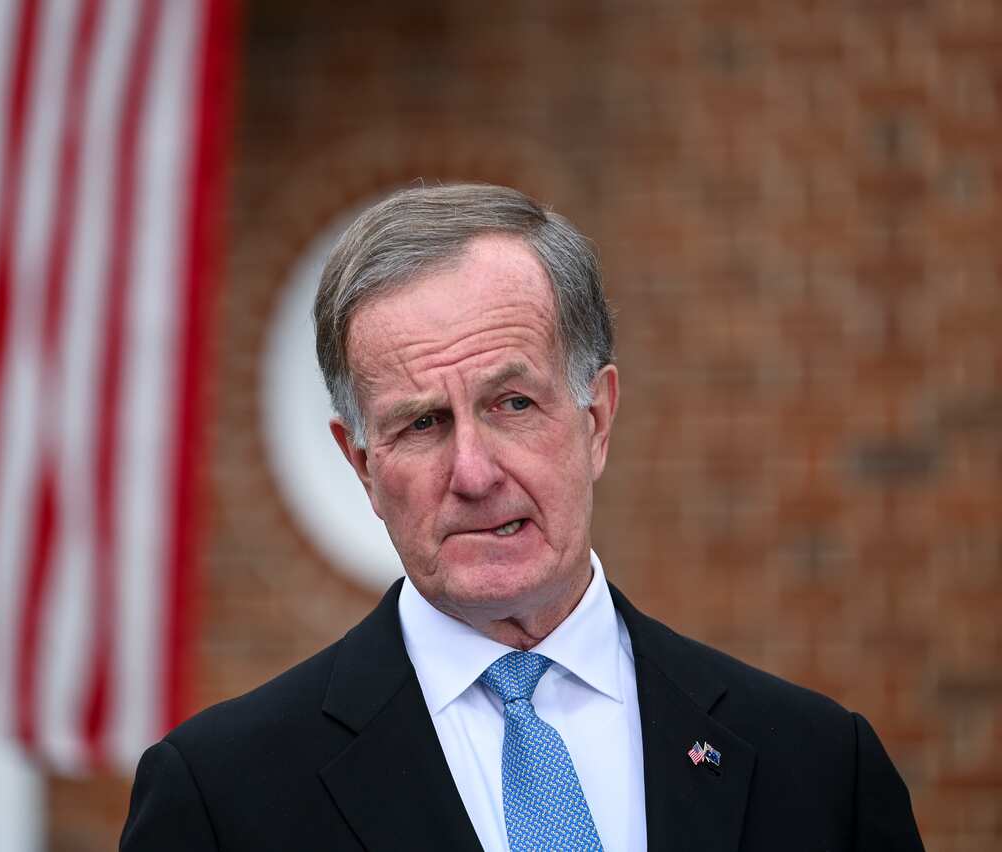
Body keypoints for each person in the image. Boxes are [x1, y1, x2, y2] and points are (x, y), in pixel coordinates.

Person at [120, 184, 924, 851]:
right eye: (422, 424)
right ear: (363, 466)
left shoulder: (820, 770)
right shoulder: (221, 800)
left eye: (513, 403)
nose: (474, 473)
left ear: (597, 419)